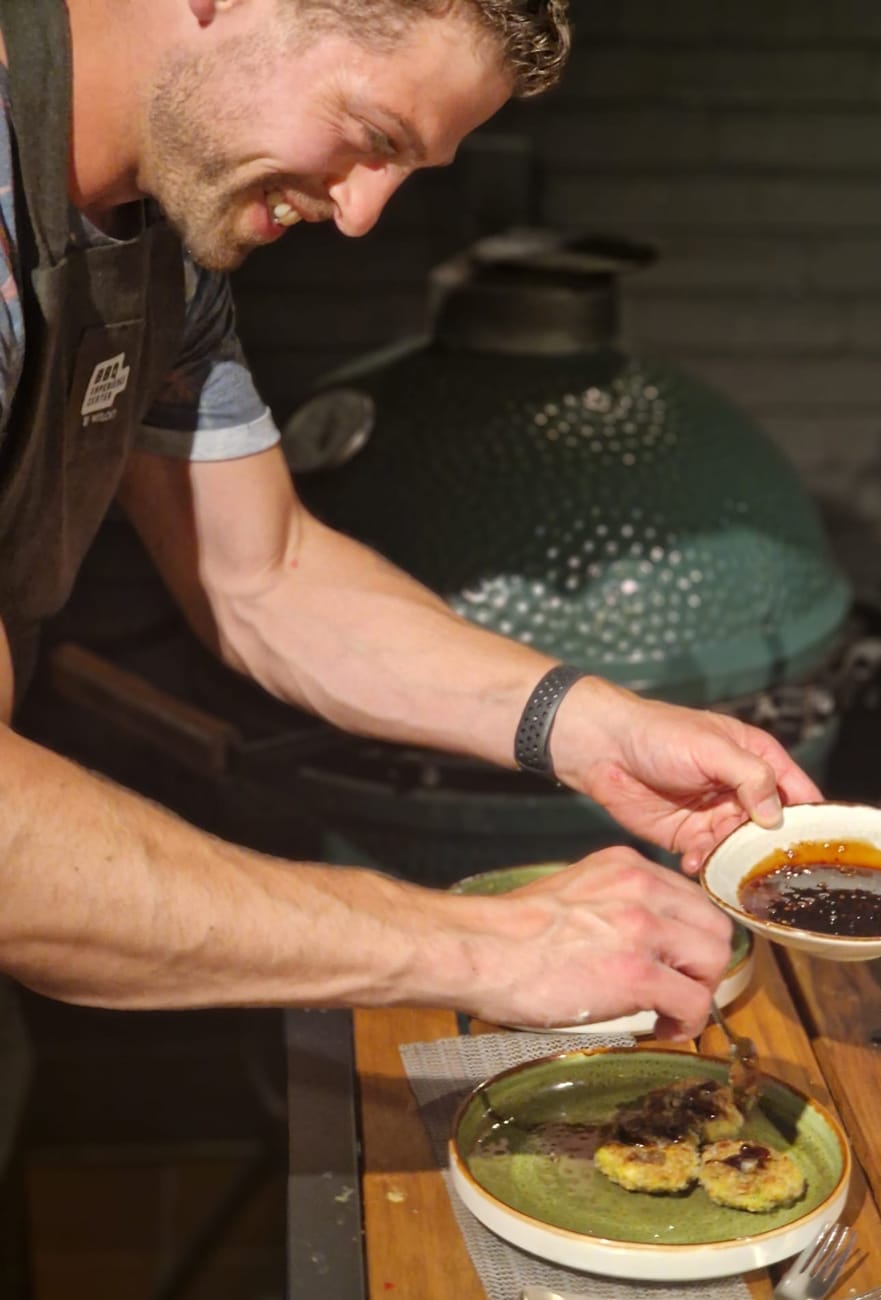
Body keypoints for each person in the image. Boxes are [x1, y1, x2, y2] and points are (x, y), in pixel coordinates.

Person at [0, 0, 821, 1060]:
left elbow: (265, 573)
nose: (360, 216)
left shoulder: (161, 237)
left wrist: (586, 723)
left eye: (405, 169)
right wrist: (482, 947)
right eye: (369, 135)